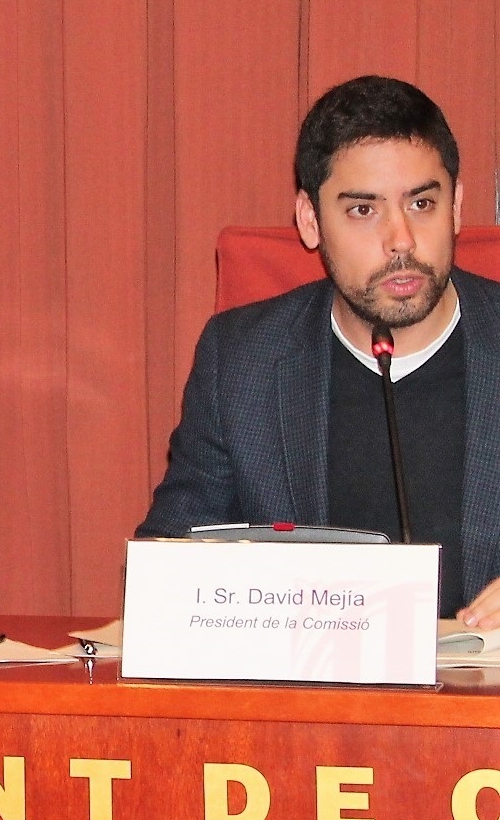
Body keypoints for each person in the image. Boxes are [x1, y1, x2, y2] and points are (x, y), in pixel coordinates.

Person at [141, 75, 500, 622]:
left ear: (455, 209)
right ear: (310, 220)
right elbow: (166, 569)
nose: (401, 240)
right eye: (363, 210)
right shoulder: (240, 362)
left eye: (422, 203)